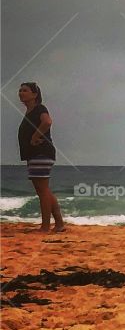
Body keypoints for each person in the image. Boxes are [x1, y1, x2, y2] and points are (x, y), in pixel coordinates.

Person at [17, 82, 65, 233]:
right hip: (35, 154)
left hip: (41, 152)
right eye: (20, 90)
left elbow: (47, 122)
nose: (21, 93)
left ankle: (45, 227)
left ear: (34, 94)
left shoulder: (39, 109)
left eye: (25, 90)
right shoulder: (30, 111)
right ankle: (59, 224)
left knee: (42, 190)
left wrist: (34, 137)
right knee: (43, 190)